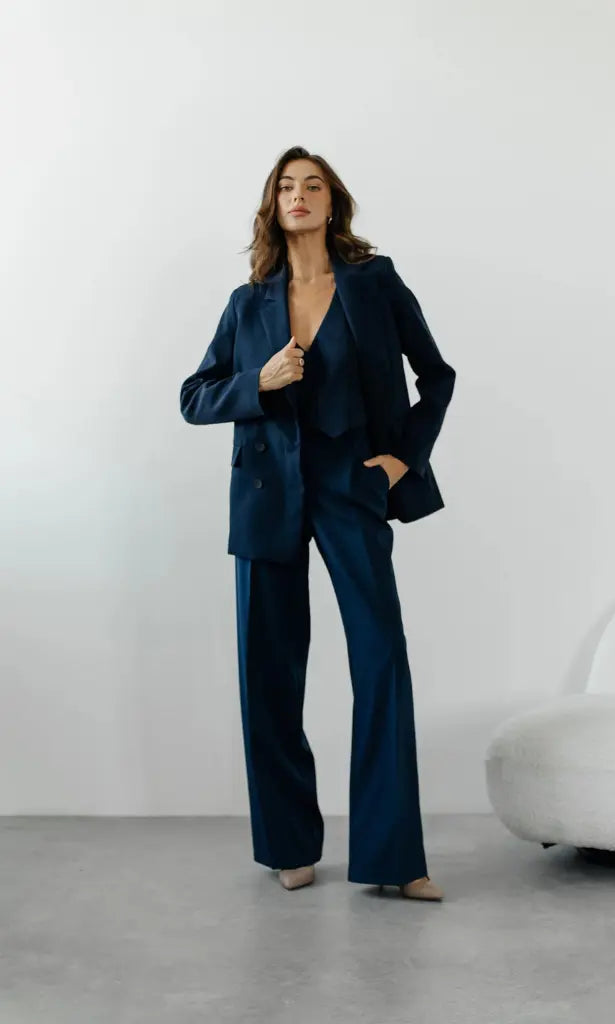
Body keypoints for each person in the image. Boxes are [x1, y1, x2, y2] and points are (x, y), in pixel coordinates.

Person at [180, 145, 456, 901]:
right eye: (285, 187)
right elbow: (194, 396)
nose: (298, 196)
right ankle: (288, 845)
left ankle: (396, 859)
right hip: (267, 492)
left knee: (380, 657)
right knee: (269, 671)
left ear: (333, 203)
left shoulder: (374, 282)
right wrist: (257, 381)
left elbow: (436, 376)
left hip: (350, 484)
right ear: (272, 206)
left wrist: (401, 460)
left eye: (312, 186)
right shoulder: (248, 302)